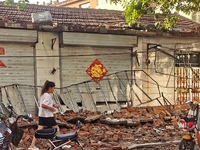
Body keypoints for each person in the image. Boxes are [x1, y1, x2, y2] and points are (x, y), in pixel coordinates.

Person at [28, 80, 60, 150]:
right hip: (47, 116)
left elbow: (46, 104)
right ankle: (60, 144)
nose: (53, 90)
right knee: (57, 129)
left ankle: (31, 146)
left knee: (38, 130)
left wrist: (54, 105)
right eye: (53, 88)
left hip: (42, 115)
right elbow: (43, 105)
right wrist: (51, 108)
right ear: (50, 88)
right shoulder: (47, 96)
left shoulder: (43, 95)